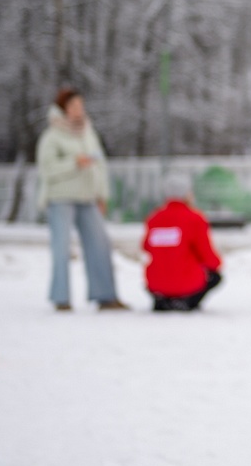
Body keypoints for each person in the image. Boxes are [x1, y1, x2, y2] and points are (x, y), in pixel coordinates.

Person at [36, 87, 128, 311]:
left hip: (88, 198)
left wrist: (102, 194)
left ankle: (105, 296)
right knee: (62, 248)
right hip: (61, 198)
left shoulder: (88, 132)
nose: (79, 110)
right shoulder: (52, 137)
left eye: (81, 105)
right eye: (74, 105)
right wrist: (74, 163)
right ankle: (61, 298)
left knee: (100, 244)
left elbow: (101, 165)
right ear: (63, 109)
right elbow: (47, 170)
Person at [142, 173, 223, 312]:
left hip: (156, 283)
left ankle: (163, 300)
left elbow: (146, 247)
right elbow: (207, 255)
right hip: (187, 282)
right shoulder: (195, 218)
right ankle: (187, 301)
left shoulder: (154, 218)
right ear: (187, 193)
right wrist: (216, 266)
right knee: (215, 276)